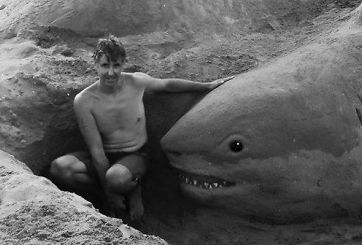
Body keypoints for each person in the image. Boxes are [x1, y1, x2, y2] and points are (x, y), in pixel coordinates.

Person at [48, 35, 233, 221]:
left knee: (116, 178)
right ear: (95, 64)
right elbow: (96, 151)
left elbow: (166, 84)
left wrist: (205, 86)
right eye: (105, 65)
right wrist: (108, 194)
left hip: (134, 155)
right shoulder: (84, 101)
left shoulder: (136, 83)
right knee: (60, 168)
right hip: (103, 155)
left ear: (124, 63)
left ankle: (133, 187)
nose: (111, 72)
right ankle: (104, 195)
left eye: (117, 65)